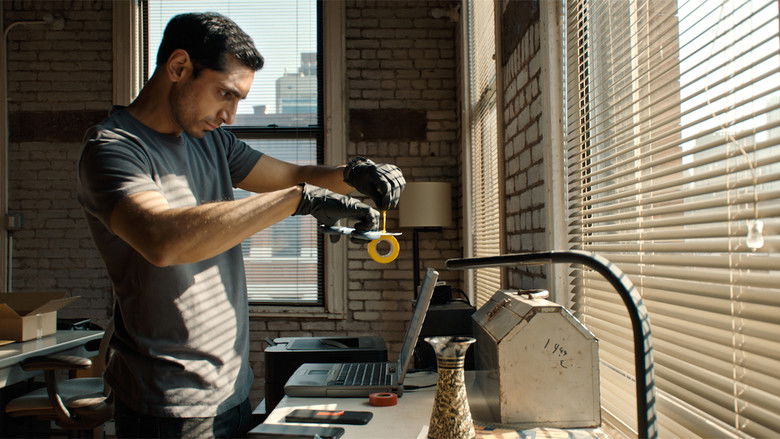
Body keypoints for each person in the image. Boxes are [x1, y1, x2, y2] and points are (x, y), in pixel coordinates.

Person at [76, 12, 405, 438]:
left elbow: (292, 175)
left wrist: (355, 173)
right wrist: (295, 202)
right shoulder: (113, 149)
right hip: (167, 406)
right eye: (224, 94)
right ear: (179, 68)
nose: (229, 114)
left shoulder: (211, 141)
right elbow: (162, 239)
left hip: (231, 390)